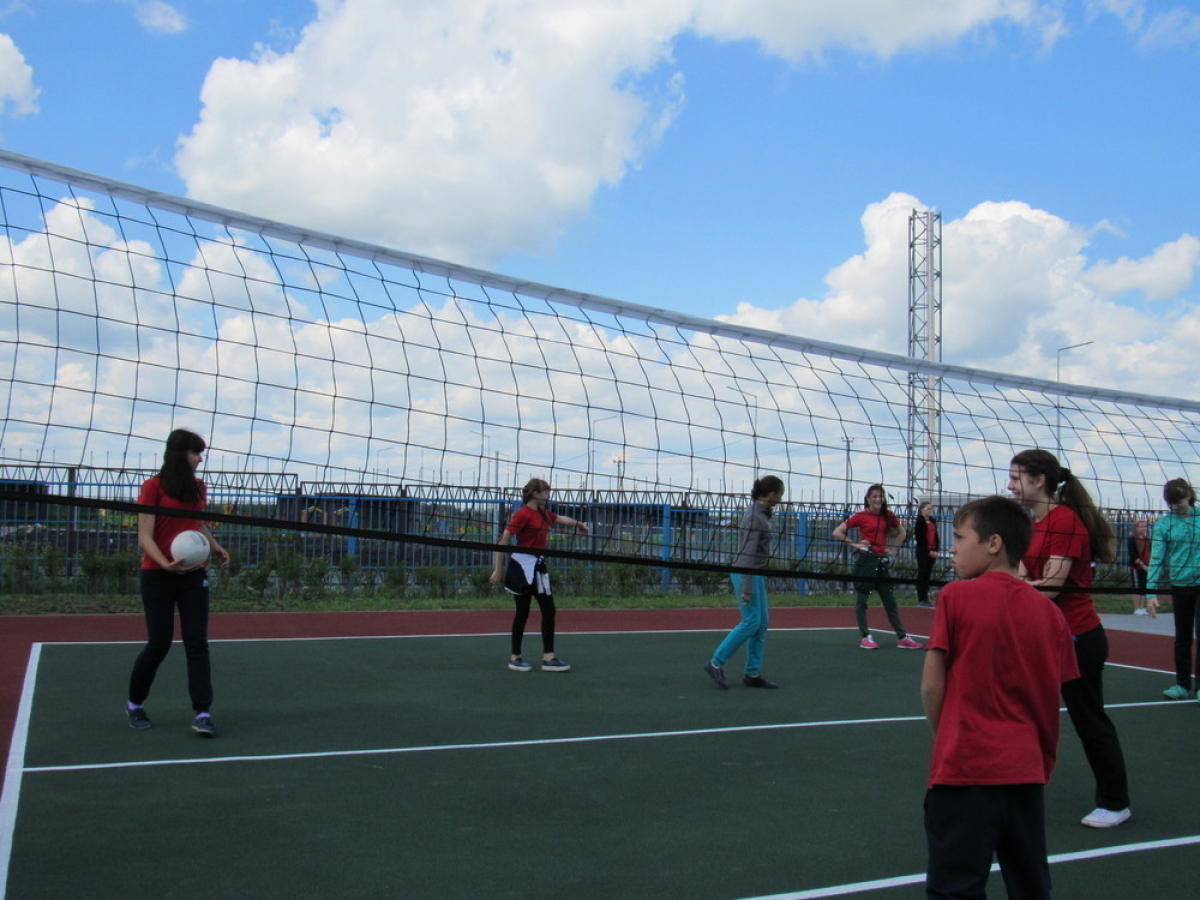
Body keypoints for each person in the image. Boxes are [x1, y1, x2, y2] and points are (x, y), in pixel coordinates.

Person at [922, 496, 1079, 900]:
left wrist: (948, 739)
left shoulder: (955, 597)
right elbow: (1050, 698)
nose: (952, 547)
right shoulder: (1051, 615)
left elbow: (930, 686)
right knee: (1030, 886)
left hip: (965, 770)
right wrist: (1041, 759)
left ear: (993, 544)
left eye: (959, 537)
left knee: (955, 888)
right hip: (1025, 774)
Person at [1008, 448, 1131, 828]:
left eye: (1015, 478)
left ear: (1038, 481)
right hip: (1044, 636)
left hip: (1078, 638)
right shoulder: (1031, 523)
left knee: (1089, 719)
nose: (1010, 485)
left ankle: (1115, 802)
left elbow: (1050, 589)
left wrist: (1015, 584)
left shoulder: (1065, 522)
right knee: (1020, 708)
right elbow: (1028, 573)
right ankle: (1012, 782)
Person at [127, 429, 229, 737]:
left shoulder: (199, 487)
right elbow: (145, 534)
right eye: (196, 453)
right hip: (158, 575)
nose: (200, 459)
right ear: (179, 454)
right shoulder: (152, 487)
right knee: (159, 643)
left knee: (196, 642)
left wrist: (214, 545)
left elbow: (196, 523)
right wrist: (164, 564)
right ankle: (135, 703)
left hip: (193, 574)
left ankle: (203, 712)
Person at [490, 478, 589, 672]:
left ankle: (549, 657)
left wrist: (579, 524)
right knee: (523, 611)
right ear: (535, 494)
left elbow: (560, 519)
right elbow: (504, 540)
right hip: (522, 566)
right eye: (545, 492)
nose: (548, 495)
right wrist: (499, 569)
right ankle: (515, 657)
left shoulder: (543, 513)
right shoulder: (523, 514)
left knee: (549, 609)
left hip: (539, 566)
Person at [703, 475, 786, 690]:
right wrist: (747, 587)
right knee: (751, 622)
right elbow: (748, 554)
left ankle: (752, 673)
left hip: (756, 572)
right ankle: (715, 663)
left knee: (761, 624)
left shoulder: (764, 512)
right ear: (772, 494)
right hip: (745, 572)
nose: (781, 499)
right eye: (781, 495)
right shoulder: (753, 517)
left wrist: (758, 580)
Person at [833, 484, 923, 650]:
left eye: (880, 496)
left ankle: (902, 638)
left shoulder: (888, 515)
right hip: (866, 561)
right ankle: (865, 637)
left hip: (881, 562)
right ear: (868, 499)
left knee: (890, 601)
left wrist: (894, 547)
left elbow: (902, 532)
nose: (877, 499)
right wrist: (855, 544)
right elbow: (837, 532)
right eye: (874, 496)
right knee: (862, 601)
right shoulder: (861, 516)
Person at [1145, 478, 1200, 701]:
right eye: (1171, 503)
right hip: (1180, 585)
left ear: (1188, 495)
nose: (1175, 506)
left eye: (1178, 501)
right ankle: (1182, 685)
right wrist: (1150, 592)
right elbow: (1156, 558)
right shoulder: (1164, 525)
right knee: (1182, 637)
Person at [914, 501, 940, 608]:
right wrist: (928, 551)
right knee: (922, 574)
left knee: (928, 575)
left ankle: (926, 598)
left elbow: (935, 536)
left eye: (931, 508)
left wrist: (935, 550)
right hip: (924, 552)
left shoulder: (932, 520)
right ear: (922, 510)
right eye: (928, 508)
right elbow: (920, 538)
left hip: (932, 550)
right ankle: (922, 598)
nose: (930, 511)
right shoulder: (919, 521)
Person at [1127, 519, 1151, 615]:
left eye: (1145, 526)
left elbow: (1150, 553)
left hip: (1146, 566)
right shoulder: (1131, 539)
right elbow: (1133, 555)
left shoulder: (1146, 539)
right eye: (1141, 526)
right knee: (1136, 587)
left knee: (1144, 586)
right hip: (1136, 567)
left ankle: (1142, 607)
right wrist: (1142, 565)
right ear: (1136, 528)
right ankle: (1136, 608)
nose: (1143, 528)